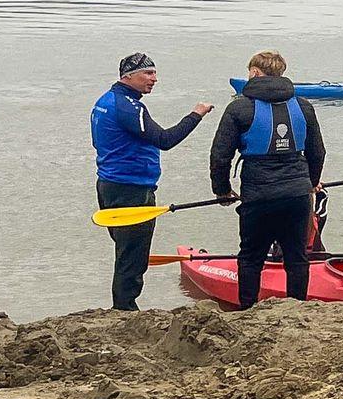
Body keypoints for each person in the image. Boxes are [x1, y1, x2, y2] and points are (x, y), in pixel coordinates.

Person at [89, 52, 212, 311]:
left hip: (109, 185)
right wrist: (196, 115)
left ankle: (122, 305)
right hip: (131, 190)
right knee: (132, 256)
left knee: (126, 251)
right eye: (147, 73)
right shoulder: (128, 107)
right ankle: (124, 309)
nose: (154, 79)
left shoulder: (104, 101)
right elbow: (165, 140)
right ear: (127, 76)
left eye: (154, 73)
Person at [208, 50, 329, 309]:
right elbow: (317, 151)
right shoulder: (304, 106)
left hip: (258, 195)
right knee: (296, 258)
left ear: (254, 73)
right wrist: (311, 181)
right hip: (297, 195)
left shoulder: (239, 107)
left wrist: (222, 191)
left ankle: (247, 309)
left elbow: (220, 155)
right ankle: (297, 308)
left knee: (251, 257)